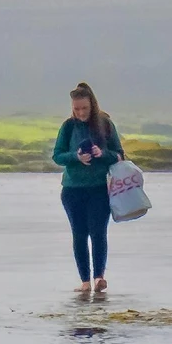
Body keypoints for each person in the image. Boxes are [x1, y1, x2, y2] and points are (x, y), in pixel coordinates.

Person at [51, 82, 125, 297]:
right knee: (79, 234)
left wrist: (102, 153)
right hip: (72, 190)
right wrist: (76, 156)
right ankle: (85, 281)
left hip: (99, 188)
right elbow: (57, 155)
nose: (80, 113)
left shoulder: (105, 124)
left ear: (91, 105)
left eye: (84, 108)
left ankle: (99, 277)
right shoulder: (68, 127)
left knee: (98, 232)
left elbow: (119, 154)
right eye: (76, 109)